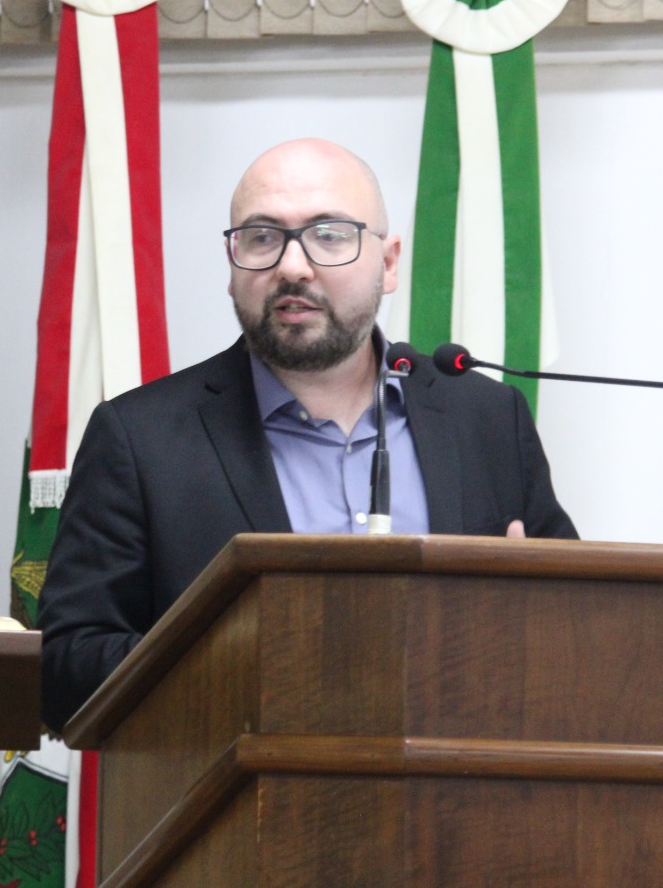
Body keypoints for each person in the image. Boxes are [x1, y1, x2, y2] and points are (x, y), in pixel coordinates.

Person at [37, 138, 577, 731]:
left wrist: (537, 619)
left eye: (329, 233)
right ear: (233, 263)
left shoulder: (487, 419)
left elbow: (581, 634)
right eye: (263, 237)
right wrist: (265, 661)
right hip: (235, 809)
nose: (292, 266)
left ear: (389, 262)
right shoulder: (141, 440)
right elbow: (67, 672)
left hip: (458, 804)